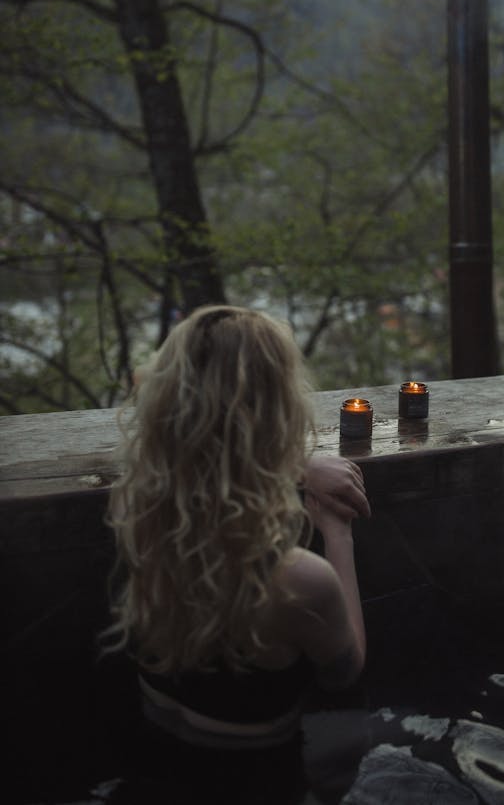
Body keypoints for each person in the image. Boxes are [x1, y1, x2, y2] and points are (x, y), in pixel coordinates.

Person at [103, 305, 369, 801]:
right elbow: (345, 674)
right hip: (256, 781)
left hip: (151, 760)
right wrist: (337, 535)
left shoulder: (137, 513)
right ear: (282, 416)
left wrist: (301, 466)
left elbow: (202, 449)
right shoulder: (297, 581)